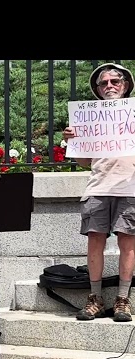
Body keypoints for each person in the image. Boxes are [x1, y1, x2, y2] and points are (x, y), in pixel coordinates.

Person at [63, 62, 135, 323]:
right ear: (97, 89)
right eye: (104, 83)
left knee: (127, 242)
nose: (109, 86)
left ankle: (123, 299)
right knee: (95, 240)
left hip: (130, 186)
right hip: (98, 186)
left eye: (115, 82)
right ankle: (95, 297)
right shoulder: (89, 118)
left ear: (124, 86)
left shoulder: (133, 114)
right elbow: (85, 162)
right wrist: (73, 141)